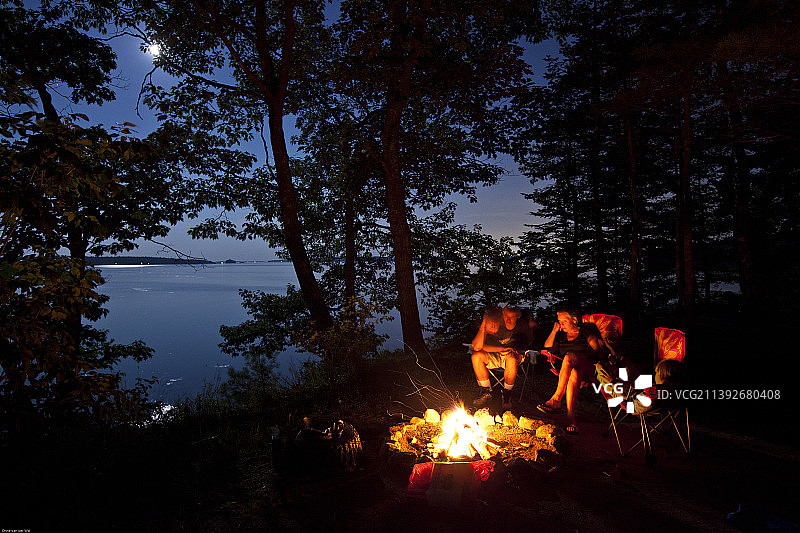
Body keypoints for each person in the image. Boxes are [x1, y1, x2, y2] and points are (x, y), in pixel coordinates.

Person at [536, 306, 604, 433]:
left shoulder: (586, 332)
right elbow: (546, 348)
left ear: (574, 320)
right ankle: (571, 420)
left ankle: (556, 399)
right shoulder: (561, 336)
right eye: (559, 321)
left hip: (590, 368)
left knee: (569, 357)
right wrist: (554, 331)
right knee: (575, 373)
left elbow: (598, 353)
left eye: (564, 322)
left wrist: (580, 357)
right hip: (572, 369)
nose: (561, 324)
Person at [470, 306, 535, 410]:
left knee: (511, 358)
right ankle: (486, 392)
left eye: (511, 317)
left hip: (514, 357)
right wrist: (483, 326)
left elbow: (529, 345)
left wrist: (519, 351)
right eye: (505, 317)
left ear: (517, 317)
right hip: (497, 355)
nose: (508, 320)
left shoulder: (522, 326)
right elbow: (478, 347)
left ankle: (507, 394)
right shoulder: (494, 325)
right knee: (476, 356)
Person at [595, 358, 687, 414]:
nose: (655, 375)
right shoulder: (678, 390)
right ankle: (618, 364)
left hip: (627, 397)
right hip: (640, 392)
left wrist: (613, 382)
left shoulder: (652, 395)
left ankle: (601, 368)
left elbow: (629, 406)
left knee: (600, 371)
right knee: (626, 364)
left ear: (662, 376)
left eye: (656, 373)